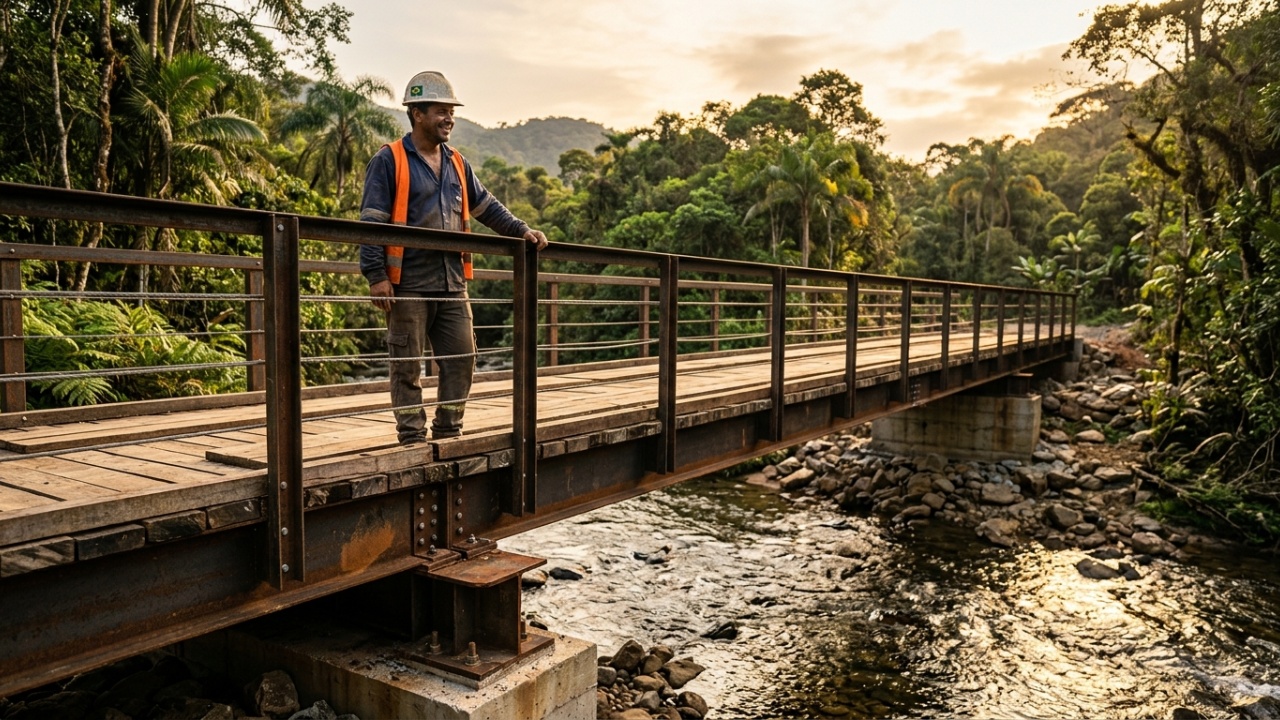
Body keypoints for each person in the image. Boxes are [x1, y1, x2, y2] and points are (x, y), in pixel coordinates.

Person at [359, 70, 549, 445]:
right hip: (408, 284)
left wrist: (522, 231)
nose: (449, 119)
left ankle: (448, 432)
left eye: (452, 112)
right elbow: (371, 223)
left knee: (462, 359)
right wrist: (375, 275)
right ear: (417, 113)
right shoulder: (390, 160)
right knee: (407, 367)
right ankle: (412, 438)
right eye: (441, 111)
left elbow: (487, 208)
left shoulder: (457, 163)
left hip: (451, 284)